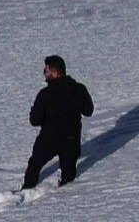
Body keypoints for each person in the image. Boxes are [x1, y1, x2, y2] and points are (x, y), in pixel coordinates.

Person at [22, 55, 94, 189]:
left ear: (54, 73)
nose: (44, 73)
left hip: (49, 139)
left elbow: (34, 121)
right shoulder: (79, 89)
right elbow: (88, 111)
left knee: (35, 165)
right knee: (69, 178)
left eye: (46, 70)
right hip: (71, 139)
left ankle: (26, 191)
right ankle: (62, 201)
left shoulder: (45, 94)